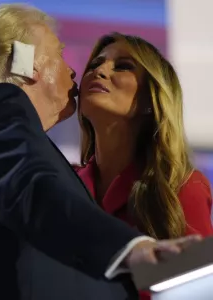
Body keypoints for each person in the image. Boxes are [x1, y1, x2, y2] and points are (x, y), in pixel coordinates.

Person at [0, 4, 202, 300]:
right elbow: (30, 192)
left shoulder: (177, 186)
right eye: (60, 54)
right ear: (28, 63)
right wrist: (133, 251)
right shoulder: (1, 109)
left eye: (122, 66)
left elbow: (191, 277)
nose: (78, 70)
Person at [73, 32, 213, 299]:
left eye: (123, 66)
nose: (100, 70)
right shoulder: (61, 182)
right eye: (94, 65)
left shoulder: (181, 186)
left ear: (150, 100)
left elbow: (195, 292)